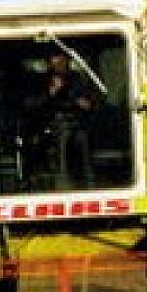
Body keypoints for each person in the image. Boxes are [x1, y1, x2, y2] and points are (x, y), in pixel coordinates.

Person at [28, 52, 102, 190]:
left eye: (61, 61)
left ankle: (89, 184)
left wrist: (85, 103)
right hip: (53, 126)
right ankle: (62, 183)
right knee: (59, 146)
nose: (58, 64)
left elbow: (91, 101)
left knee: (83, 143)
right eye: (55, 61)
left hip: (79, 123)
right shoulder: (42, 80)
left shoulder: (77, 78)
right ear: (49, 63)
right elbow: (33, 104)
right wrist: (52, 92)